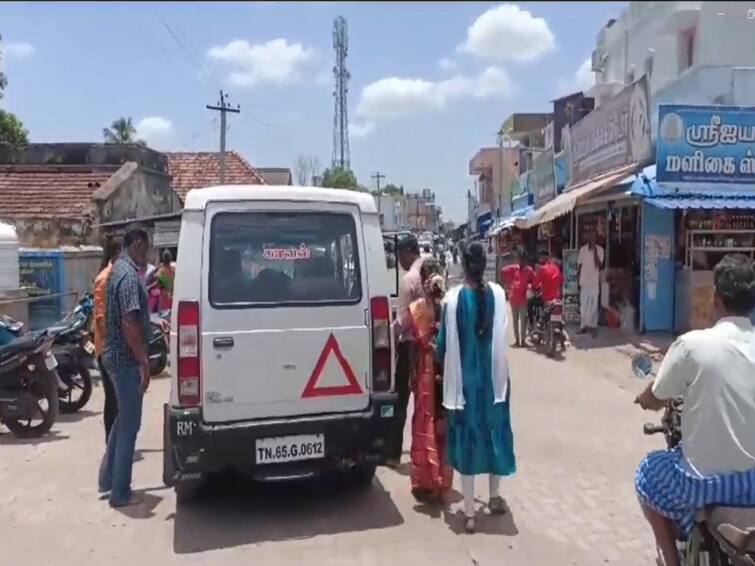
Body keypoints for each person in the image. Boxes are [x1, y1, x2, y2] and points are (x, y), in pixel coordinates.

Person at [634, 254, 755, 566]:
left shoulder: (692, 345)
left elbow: (658, 395)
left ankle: (670, 559)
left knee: (647, 473)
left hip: (702, 483)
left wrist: (645, 398)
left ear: (716, 299)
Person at [437, 242, 516, 533]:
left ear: (462, 264)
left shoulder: (452, 300)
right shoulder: (498, 293)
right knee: (495, 434)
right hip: (496, 381)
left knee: (469, 442)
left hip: (465, 385)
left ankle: (470, 514)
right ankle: (494, 498)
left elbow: (443, 347)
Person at [98, 225, 152, 508]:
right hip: (126, 360)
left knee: (121, 421)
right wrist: (143, 360)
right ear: (138, 244)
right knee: (130, 425)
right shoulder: (129, 276)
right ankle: (120, 493)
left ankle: (107, 480)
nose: (148, 254)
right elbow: (129, 322)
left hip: (112, 356)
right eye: (147, 247)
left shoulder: (117, 270)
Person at [408, 264, 453, 502]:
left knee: (425, 422)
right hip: (446, 370)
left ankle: (427, 479)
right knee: (443, 424)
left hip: (426, 371)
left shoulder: (418, 309)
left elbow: (415, 345)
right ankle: (443, 481)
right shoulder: (449, 309)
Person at [388, 233, 425, 468]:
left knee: (401, 398)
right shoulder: (433, 270)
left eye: (400, 255)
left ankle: (392, 454)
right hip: (430, 346)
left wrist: (389, 331)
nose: (399, 260)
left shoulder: (409, 278)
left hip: (410, 345)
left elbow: (406, 317)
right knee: (425, 399)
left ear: (408, 252)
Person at [93, 239, 122, 444]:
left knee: (118, 400)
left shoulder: (116, 277)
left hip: (114, 349)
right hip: (108, 349)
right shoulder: (105, 279)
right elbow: (101, 319)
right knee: (113, 400)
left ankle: (114, 440)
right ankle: (110, 441)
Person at [500, 250, 535, 347]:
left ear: (525, 260)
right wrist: (508, 283)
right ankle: (517, 340)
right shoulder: (513, 268)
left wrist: (530, 286)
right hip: (513, 298)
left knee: (523, 321)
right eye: (519, 259)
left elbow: (535, 280)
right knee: (515, 321)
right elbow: (502, 271)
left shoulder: (529, 270)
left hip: (523, 299)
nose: (521, 261)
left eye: (522, 259)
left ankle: (523, 340)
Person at [577, 232, 604, 336]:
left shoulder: (600, 250)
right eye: (590, 238)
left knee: (593, 306)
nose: (591, 240)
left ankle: (593, 327)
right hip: (584, 281)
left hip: (594, 282)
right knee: (583, 306)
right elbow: (579, 265)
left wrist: (595, 251)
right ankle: (583, 326)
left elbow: (599, 265)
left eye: (593, 238)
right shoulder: (583, 250)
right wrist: (578, 280)